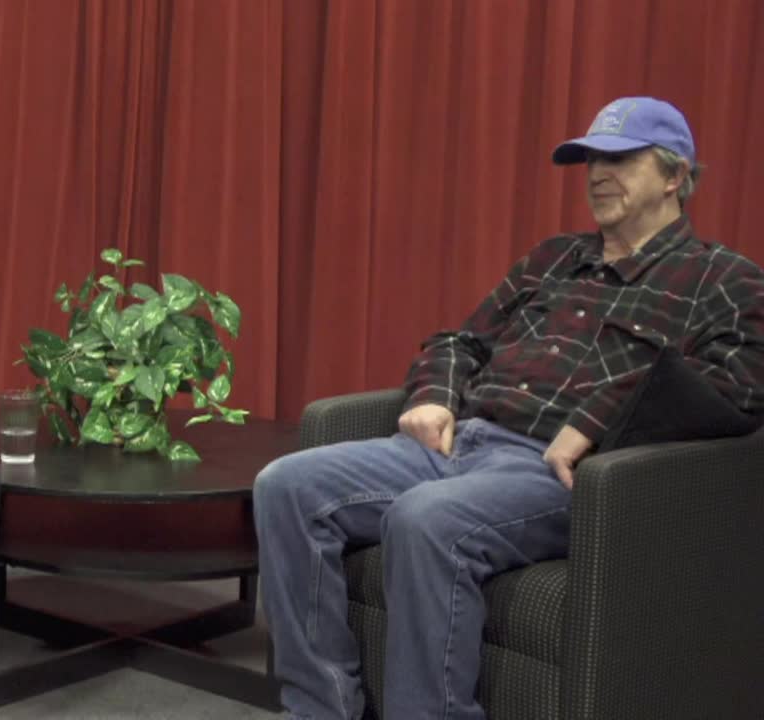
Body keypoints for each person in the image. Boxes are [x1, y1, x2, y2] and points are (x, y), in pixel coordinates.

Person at [254, 96, 764, 719]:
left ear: (674, 175)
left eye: (619, 160)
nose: (598, 174)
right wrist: (434, 395)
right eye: (590, 161)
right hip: (459, 442)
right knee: (286, 485)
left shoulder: (722, 280)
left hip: (558, 473)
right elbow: (460, 341)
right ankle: (319, 709)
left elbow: (741, 384)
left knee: (424, 520)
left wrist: (596, 417)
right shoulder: (553, 259)